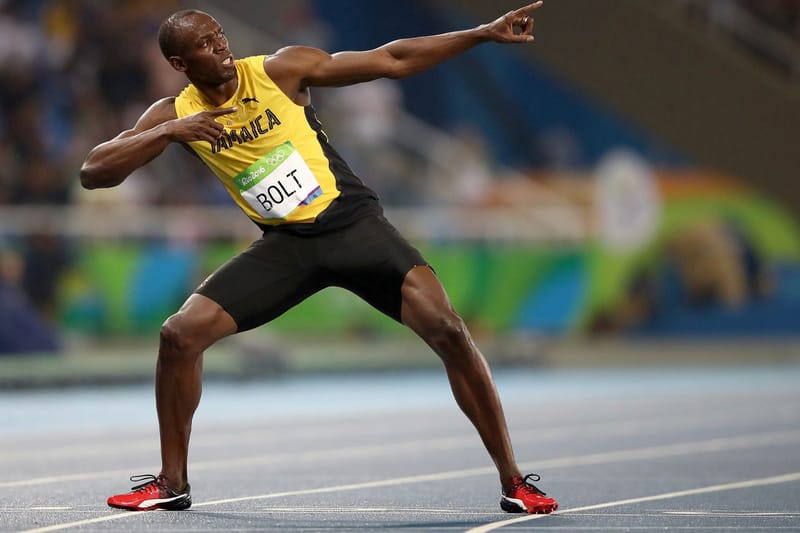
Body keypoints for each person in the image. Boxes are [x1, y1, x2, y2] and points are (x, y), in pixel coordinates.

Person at [80, 2, 558, 515]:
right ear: (179, 63)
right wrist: (169, 133)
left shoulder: (281, 70)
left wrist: (482, 33)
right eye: (205, 43)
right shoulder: (175, 114)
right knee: (178, 335)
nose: (221, 46)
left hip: (353, 227)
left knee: (448, 329)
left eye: (220, 35)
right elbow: (93, 171)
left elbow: (391, 59)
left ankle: (514, 481)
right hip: (286, 248)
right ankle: (172, 482)